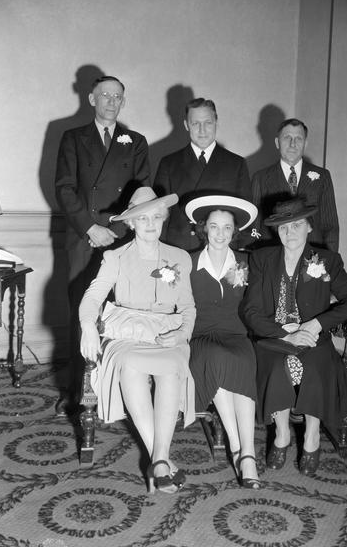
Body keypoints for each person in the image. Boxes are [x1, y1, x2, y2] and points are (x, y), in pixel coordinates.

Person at [79, 187, 195, 494]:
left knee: (171, 366)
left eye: (156, 216)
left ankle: (158, 459)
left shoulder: (179, 258)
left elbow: (188, 308)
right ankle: (162, 459)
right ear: (130, 223)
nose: (150, 223)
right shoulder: (115, 256)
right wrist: (88, 325)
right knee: (130, 365)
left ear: (164, 219)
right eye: (142, 217)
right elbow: (92, 296)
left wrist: (182, 334)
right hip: (126, 332)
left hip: (166, 332)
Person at [242, 197, 347, 475]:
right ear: (276, 231)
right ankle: (282, 433)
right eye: (284, 227)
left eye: (297, 225)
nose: (291, 233)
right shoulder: (262, 258)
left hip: (313, 340)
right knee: (278, 366)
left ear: (309, 227)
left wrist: (316, 325)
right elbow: (250, 310)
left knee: (314, 368)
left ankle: (312, 436)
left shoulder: (327, 260)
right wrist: (283, 335)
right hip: (273, 339)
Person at [55, 75, 150, 413]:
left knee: (119, 310)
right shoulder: (73, 138)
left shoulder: (135, 141)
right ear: (92, 99)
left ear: (123, 102)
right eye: (105, 95)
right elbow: (64, 188)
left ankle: (118, 387)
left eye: (118, 96)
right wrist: (90, 227)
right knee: (80, 310)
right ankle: (76, 390)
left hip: (120, 239)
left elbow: (141, 193)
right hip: (83, 238)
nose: (112, 101)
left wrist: (114, 227)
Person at [185, 194, 261, 489]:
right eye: (213, 226)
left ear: (234, 231)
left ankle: (246, 452)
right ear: (204, 228)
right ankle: (240, 448)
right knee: (217, 357)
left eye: (226, 227)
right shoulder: (187, 263)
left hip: (236, 335)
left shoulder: (247, 263)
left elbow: (258, 304)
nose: (219, 233)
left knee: (241, 360)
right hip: (200, 337)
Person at [153, 98, 252, 252]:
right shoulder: (169, 163)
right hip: (178, 249)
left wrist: (236, 251)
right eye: (195, 124)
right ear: (186, 125)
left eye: (208, 123)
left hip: (220, 249)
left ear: (216, 122)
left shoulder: (236, 164)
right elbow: (160, 215)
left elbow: (244, 217)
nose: (202, 130)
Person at [251, 118, 339, 251]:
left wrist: (329, 263)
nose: (293, 144)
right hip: (273, 257)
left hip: (312, 258)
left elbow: (330, 226)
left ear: (305, 143)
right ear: (277, 142)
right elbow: (254, 226)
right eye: (287, 138)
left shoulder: (322, 176)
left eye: (298, 138)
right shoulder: (260, 178)